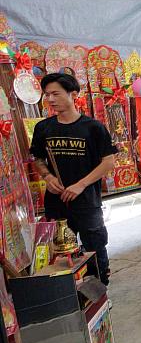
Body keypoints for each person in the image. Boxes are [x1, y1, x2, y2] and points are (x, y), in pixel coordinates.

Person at [30, 73, 117, 285]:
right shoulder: (44, 128)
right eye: (47, 94)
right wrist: (48, 176)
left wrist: (81, 184)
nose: (50, 99)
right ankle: (69, 293)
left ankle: (99, 289)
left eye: (56, 94)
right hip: (57, 201)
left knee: (95, 246)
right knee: (61, 252)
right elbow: (37, 159)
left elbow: (108, 162)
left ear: (73, 94)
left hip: (87, 201)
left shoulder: (93, 128)